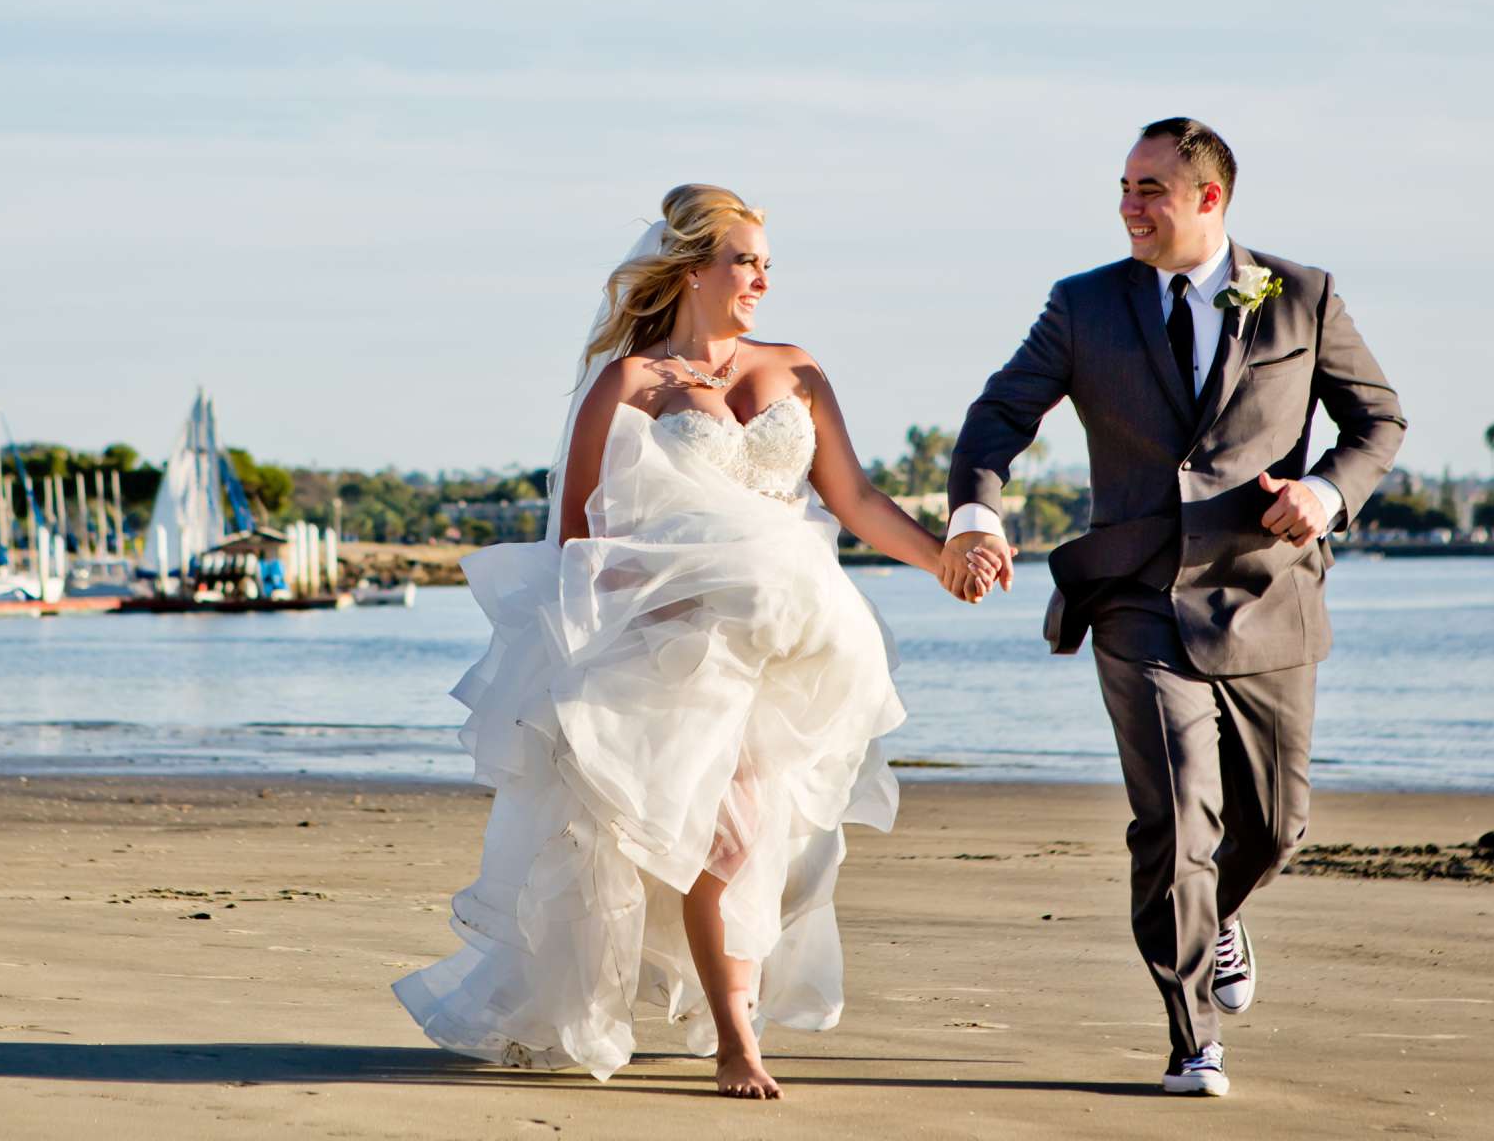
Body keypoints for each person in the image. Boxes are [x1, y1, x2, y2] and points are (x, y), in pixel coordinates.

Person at [395, 183, 1000, 1099]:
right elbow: (576, 538)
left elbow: (858, 502)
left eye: (765, 262)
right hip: (674, 654)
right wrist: (651, 601)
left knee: (760, 842)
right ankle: (735, 1042)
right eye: (743, 259)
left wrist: (944, 560)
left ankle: (726, 1015)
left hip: (795, 652)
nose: (759, 277)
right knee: (723, 838)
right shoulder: (630, 383)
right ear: (689, 268)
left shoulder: (797, 370)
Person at [943, 118, 1405, 1098]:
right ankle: (1193, 1037)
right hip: (1138, 598)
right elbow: (998, 416)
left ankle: (1222, 913)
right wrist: (977, 514)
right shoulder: (1083, 306)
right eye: (1123, 186)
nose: (1128, 205)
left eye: (1150, 188)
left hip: (1269, 594)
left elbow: (1377, 420)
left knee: (1276, 828)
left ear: (1210, 199)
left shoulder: (1302, 296)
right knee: (1175, 819)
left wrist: (1323, 495)